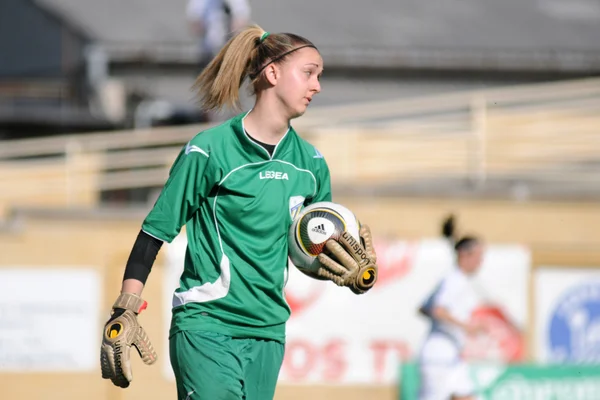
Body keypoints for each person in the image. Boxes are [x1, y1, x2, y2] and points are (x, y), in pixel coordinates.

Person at [100, 25, 379, 400]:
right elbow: (155, 232)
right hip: (207, 325)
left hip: (268, 331)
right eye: (309, 73)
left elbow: (309, 254)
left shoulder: (312, 164)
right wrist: (126, 307)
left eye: (319, 76)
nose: (317, 86)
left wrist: (348, 272)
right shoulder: (209, 149)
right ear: (273, 73)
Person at [417, 217, 485, 400]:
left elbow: (424, 308)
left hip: (452, 355)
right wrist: (466, 327)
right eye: (478, 256)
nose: (481, 262)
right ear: (465, 255)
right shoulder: (454, 281)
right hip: (439, 357)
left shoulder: (454, 280)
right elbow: (438, 310)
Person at [186, 0, 252, 72]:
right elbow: (194, 23)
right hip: (207, 52)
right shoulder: (200, 2)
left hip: (227, 51)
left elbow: (241, 20)